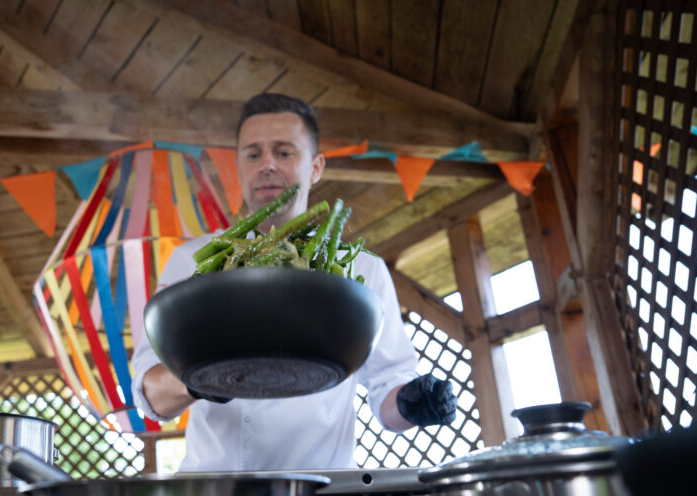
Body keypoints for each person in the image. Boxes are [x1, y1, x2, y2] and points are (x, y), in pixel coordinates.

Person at [131, 93, 456, 471]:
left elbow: (389, 386)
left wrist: (413, 403)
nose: (267, 165)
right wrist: (200, 380)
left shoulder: (362, 271)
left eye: (284, 152)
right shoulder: (192, 262)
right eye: (253, 154)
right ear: (237, 166)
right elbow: (150, 395)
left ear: (316, 166)